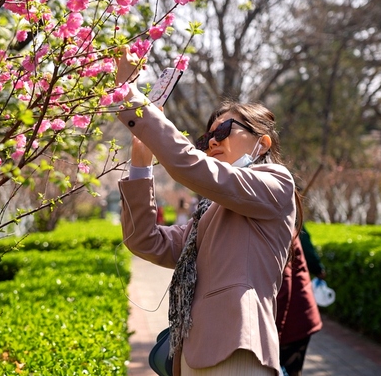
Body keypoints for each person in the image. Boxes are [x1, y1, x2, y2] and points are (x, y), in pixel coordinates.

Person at [115, 46, 301, 376]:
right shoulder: (210, 212)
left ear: (263, 143)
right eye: (207, 138)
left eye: (223, 132)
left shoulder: (275, 182)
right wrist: (141, 163)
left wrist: (132, 99)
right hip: (193, 356)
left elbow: (192, 168)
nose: (212, 142)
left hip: (237, 349)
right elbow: (144, 240)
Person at [276, 226, 324, 376]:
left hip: (293, 320)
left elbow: (284, 284)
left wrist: (272, 333)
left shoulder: (278, 226)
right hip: (296, 317)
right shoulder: (283, 222)